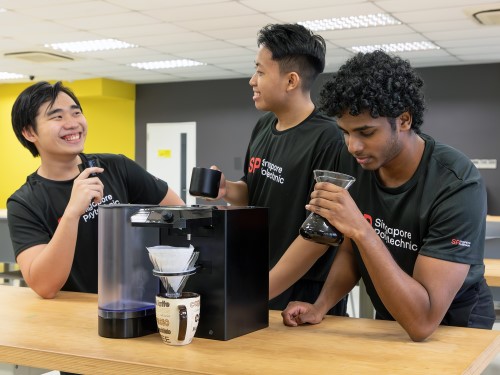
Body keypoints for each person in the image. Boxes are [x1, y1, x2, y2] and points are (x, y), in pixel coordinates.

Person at [277, 50, 495, 341]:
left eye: (366, 132)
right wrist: (321, 306)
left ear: (404, 120)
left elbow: (422, 322)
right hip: (394, 309)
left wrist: (361, 230)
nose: (353, 146)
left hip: (452, 320)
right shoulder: (358, 162)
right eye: (345, 132)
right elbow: (351, 250)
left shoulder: (456, 182)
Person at [213, 23, 347, 315]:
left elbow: (320, 234)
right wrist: (228, 190)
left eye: (261, 72)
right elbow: (254, 192)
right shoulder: (263, 126)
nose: (252, 80)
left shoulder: (330, 138)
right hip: (260, 278)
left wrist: (256, 291)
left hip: (303, 292)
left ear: (291, 81)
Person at [7, 81, 184, 299]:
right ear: (29, 132)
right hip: (76, 315)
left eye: (76, 113)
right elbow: (45, 286)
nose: (73, 123)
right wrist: (72, 213)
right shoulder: (24, 202)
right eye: (57, 116)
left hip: (140, 304)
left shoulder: (117, 167)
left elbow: (179, 214)